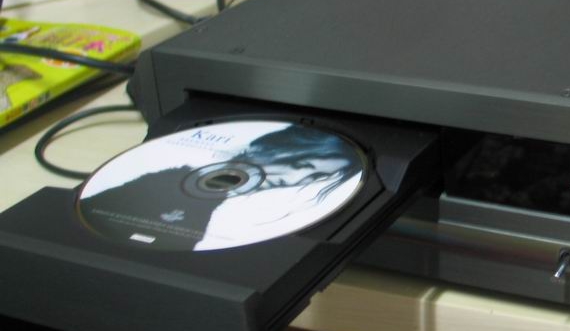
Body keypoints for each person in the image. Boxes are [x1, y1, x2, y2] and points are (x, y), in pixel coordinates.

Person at [78, 122, 366, 251]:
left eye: (316, 177)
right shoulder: (163, 176)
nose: (297, 178)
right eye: (301, 164)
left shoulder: (241, 216)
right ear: (273, 147)